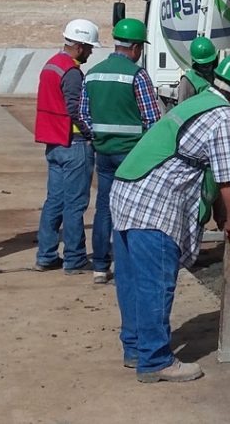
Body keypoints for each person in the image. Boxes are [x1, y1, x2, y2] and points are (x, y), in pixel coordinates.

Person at [110, 53, 230, 383]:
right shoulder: (225, 117)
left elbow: (211, 168)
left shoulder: (200, 101)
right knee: (156, 281)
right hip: (154, 202)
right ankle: (155, 361)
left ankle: (135, 348)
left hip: (126, 191)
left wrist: (220, 215)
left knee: (132, 279)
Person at [79, 18, 161, 284]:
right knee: (134, 210)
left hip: (103, 154)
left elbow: (83, 115)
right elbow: (152, 120)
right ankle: (130, 264)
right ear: (136, 47)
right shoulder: (136, 75)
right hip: (132, 155)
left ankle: (100, 266)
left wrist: (100, 137)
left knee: (104, 207)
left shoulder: (92, 73)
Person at [34, 19, 100, 274]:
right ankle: (74, 259)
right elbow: (75, 110)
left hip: (54, 144)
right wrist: (91, 133)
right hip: (74, 143)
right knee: (75, 204)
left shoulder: (51, 65)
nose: (91, 52)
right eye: (90, 48)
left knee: (54, 201)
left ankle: (46, 255)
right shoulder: (71, 72)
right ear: (80, 46)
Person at [176, 36, 217, 102]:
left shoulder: (216, 76)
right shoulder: (188, 80)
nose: (207, 68)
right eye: (203, 65)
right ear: (195, 62)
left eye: (209, 64)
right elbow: (182, 107)